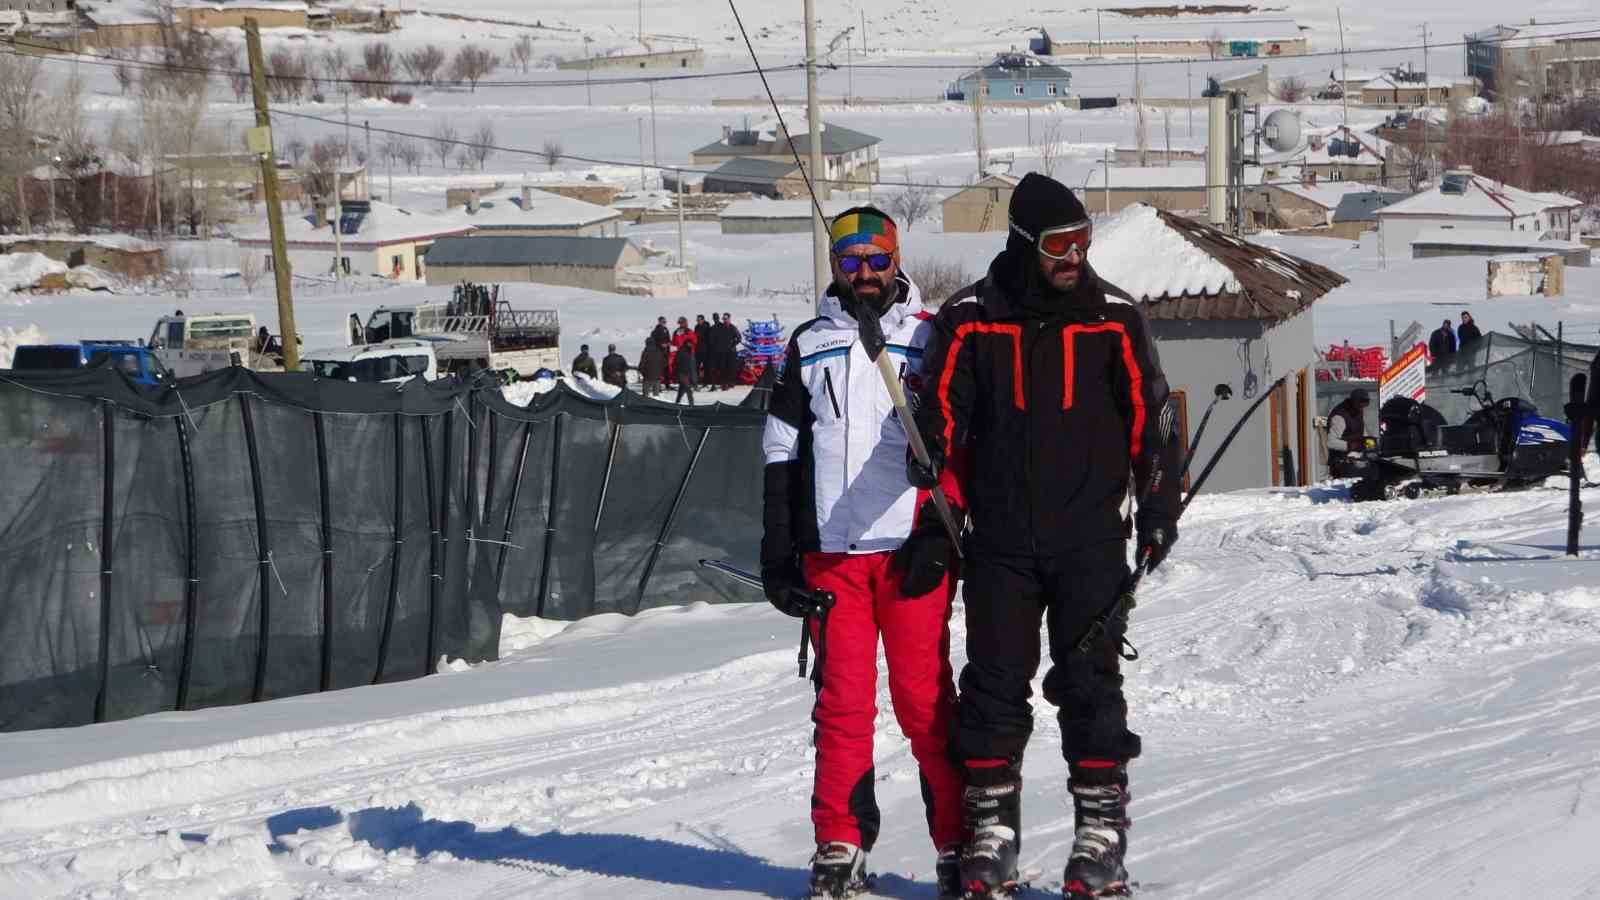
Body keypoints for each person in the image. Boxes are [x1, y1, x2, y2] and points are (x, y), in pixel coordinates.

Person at [912, 173, 1180, 900]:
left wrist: (1158, 509)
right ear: (1024, 243)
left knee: (1090, 684)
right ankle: (991, 834)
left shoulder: (1113, 317)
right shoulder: (970, 317)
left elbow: (1152, 421)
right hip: (998, 542)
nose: (1074, 256)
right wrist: (929, 444)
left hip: (1090, 539)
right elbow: (941, 406)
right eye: (1060, 244)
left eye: (1082, 241)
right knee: (993, 686)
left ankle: (1100, 839)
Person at [762, 205, 966, 900]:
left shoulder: (929, 335)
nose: (866, 273)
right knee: (842, 705)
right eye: (851, 262)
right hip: (834, 557)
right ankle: (840, 845)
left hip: (909, 550)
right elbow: (781, 446)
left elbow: (962, 440)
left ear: (896, 260)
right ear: (834, 267)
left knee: (924, 703)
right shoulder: (810, 342)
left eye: (878, 260)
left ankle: (958, 844)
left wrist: (938, 530)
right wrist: (778, 545)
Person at [1324, 388, 1371, 477]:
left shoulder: (1358, 411)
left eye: (1365, 404)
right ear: (1354, 402)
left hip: (1357, 459)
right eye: (1360, 404)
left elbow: (1362, 430)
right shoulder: (1340, 416)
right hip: (1340, 463)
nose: (1362, 407)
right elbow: (1330, 442)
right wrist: (1352, 446)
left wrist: (1369, 443)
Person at [717, 312, 743, 389]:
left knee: (731, 368)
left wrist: (733, 344)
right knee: (723, 367)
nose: (725, 320)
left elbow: (739, 338)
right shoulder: (720, 328)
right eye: (724, 319)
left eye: (726, 319)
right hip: (723, 351)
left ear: (729, 319)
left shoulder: (732, 328)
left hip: (731, 351)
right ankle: (724, 383)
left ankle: (731, 382)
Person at [673, 331, 698, 405]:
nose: (691, 345)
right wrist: (678, 371)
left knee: (682, 389)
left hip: (686, 373)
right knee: (688, 389)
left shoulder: (689, 351)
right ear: (686, 343)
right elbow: (676, 361)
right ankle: (692, 404)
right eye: (690, 344)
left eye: (691, 344)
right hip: (681, 372)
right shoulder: (682, 351)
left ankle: (677, 402)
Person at [694, 314, 714, 384]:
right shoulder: (696, 327)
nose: (698, 321)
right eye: (697, 320)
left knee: (706, 366)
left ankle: (707, 381)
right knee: (696, 366)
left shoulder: (707, 327)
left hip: (706, 350)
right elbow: (695, 337)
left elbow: (709, 338)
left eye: (699, 320)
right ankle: (697, 381)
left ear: (703, 320)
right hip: (698, 350)